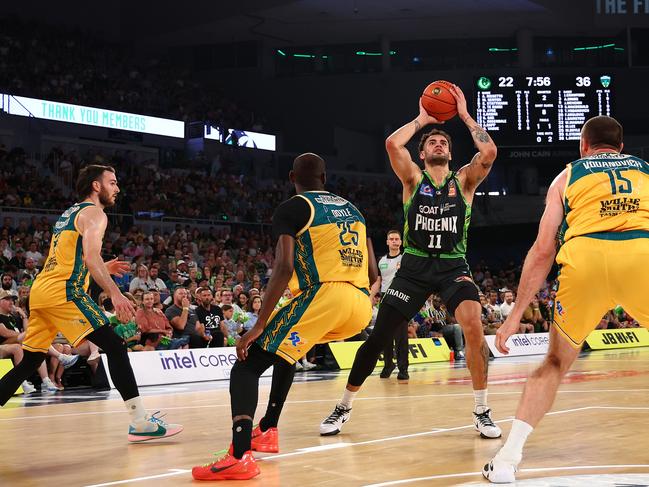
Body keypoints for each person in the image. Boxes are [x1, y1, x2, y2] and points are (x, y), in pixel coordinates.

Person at [320, 84, 501, 439]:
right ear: (421, 154)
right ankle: (343, 407)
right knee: (377, 339)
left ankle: (482, 409)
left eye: (444, 143)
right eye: (432, 143)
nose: (438, 144)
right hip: (414, 268)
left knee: (474, 325)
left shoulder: (464, 180)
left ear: (450, 153)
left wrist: (463, 115)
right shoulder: (412, 179)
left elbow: (490, 150)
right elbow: (392, 144)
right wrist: (422, 119)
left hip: (452, 267)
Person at [191, 152, 378, 481]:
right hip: (361, 305)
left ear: (292, 177)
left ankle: (238, 455)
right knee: (284, 351)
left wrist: (259, 323)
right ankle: (268, 429)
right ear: (325, 178)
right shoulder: (354, 211)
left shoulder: (294, 207)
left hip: (326, 296)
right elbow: (374, 271)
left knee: (247, 365)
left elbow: (284, 266)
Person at [483, 116, 649, 483]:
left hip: (585, 258)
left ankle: (508, 460)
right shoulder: (646, 172)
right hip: (641, 254)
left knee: (555, 363)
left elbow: (543, 251)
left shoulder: (567, 176)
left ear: (583, 146)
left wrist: (514, 317)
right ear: (622, 147)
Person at [0, 165, 182, 442]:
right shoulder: (96, 213)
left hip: (41, 291)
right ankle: (139, 421)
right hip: (63, 292)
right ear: (96, 186)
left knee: (32, 360)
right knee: (115, 345)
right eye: (112, 182)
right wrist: (116, 293)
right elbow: (90, 257)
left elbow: (71, 258)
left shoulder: (68, 213)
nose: (117, 188)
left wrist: (102, 267)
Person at [371, 229, 408, 381]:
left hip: (401, 296)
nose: (394, 241)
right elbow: (378, 281)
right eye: (391, 239)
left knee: (401, 336)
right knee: (384, 334)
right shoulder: (381, 260)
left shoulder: (406, 258)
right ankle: (388, 365)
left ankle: (403, 369)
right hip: (386, 297)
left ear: (400, 242)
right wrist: (371, 296)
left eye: (396, 239)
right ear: (387, 242)